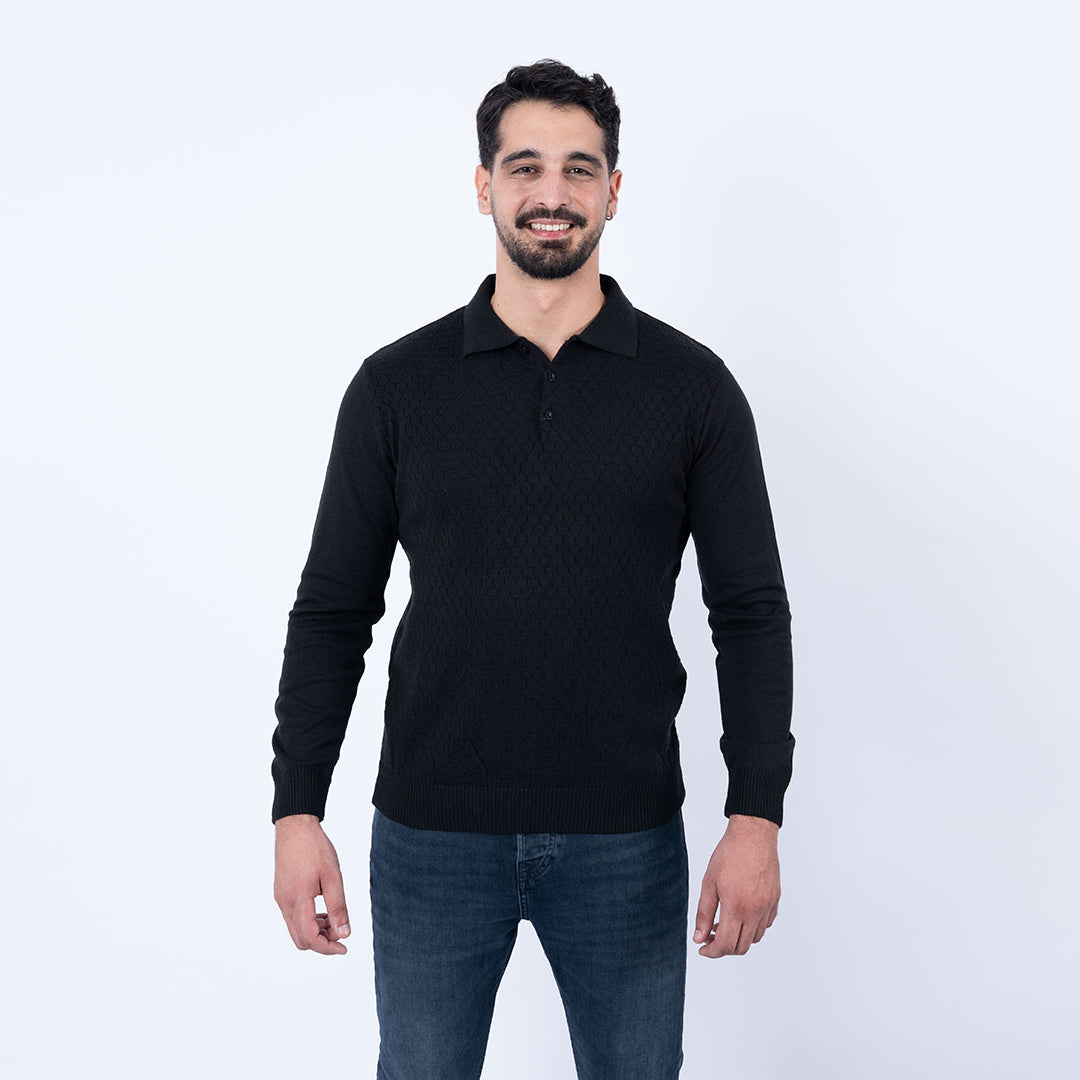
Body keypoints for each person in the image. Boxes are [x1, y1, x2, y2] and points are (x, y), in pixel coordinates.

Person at [272, 59, 794, 1080]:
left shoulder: (692, 390)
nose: (551, 193)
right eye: (525, 168)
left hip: (626, 837)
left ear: (613, 190)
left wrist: (756, 813)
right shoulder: (396, 389)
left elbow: (750, 611)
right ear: (485, 187)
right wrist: (298, 809)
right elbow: (333, 610)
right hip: (430, 834)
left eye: (578, 169)